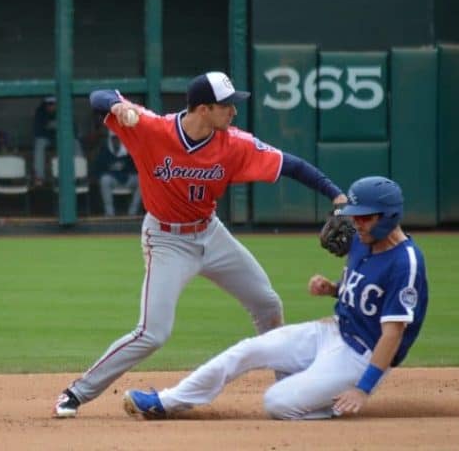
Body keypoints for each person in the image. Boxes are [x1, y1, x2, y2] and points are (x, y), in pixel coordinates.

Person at [53, 71, 348, 418]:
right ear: (203, 109)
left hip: (211, 234)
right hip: (166, 241)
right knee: (152, 332)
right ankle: (76, 392)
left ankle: (292, 388)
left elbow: (293, 167)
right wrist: (118, 105)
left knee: (267, 304)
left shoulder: (235, 144)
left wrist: (337, 195)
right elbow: (98, 94)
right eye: (227, 106)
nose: (234, 112)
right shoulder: (151, 129)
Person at [123, 176, 429, 420]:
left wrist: (363, 389)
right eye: (355, 217)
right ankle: (165, 402)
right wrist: (334, 289)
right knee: (245, 351)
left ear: (389, 216)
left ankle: (332, 401)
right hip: (332, 330)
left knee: (278, 403)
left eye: (365, 217)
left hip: (360, 356)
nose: (356, 224)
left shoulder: (406, 263)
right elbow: (369, 292)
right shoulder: (364, 241)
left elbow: (393, 334)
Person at [94, 130, 142, 216]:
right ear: (111, 139)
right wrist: (112, 168)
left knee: (142, 180)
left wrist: (124, 167)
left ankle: (132, 213)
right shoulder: (105, 151)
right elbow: (98, 169)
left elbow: (136, 168)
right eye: (114, 139)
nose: (116, 141)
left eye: (118, 138)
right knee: (104, 180)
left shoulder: (129, 150)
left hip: (128, 179)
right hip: (112, 181)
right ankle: (109, 214)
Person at [32, 95, 57, 186]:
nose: (51, 106)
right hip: (46, 138)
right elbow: (38, 132)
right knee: (39, 143)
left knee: (74, 142)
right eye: (49, 104)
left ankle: (79, 174)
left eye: (53, 104)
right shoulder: (40, 112)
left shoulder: (64, 109)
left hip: (62, 138)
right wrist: (50, 127)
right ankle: (40, 177)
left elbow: (73, 130)